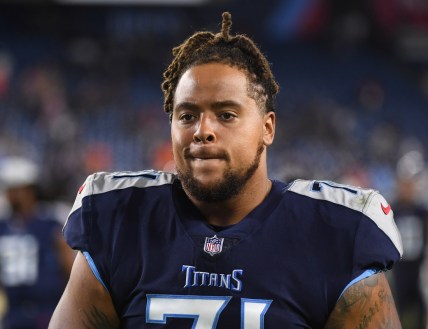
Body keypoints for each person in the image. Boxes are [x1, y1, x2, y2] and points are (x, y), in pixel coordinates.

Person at [49, 12, 403, 328]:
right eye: (186, 116)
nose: (203, 130)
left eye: (226, 114)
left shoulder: (335, 232)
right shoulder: (120, 220)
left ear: (268, 128)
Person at [0, 156, 75, 329]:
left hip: (47, 310)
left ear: (30, 190)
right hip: (14, 311)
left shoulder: (50, 223)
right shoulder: (3, 226)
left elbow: (69, 268)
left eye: (15, 189)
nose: (11, 194)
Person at [392, 177, 427, 329]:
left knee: (419, 301)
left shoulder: (421, 210)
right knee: (400, 301)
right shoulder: (394, 209)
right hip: (400, 264)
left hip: (418, 263)